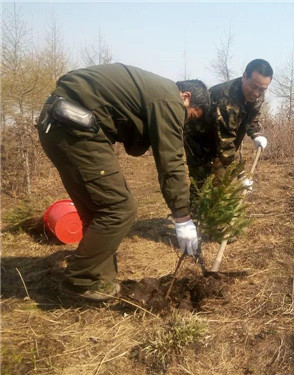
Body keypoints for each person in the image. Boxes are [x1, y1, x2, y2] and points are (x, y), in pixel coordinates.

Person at [37, 63, 210, 301]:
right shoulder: (170, 100)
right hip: (74, 127)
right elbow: (172, 161)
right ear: (186, 97)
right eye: (189, 115)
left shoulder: (154, 91)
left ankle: (100, 281)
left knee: (100, 209)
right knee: (120, 208)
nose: (185, 122)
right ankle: (79, 280)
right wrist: (182, 217)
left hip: (60, 123)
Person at [184, 59, 273, 194]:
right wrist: (241, 175)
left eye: (262, 89)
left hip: (223, 141)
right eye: (253, 87)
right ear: (244, 77)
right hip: (200, 142)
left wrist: (255, 134)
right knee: (201, 187)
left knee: (220, 183)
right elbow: (225, 144)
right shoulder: (226, 100)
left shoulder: (257, 94)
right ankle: (195, 214)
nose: (256, 93)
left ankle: (216, 213)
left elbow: (251, 115)